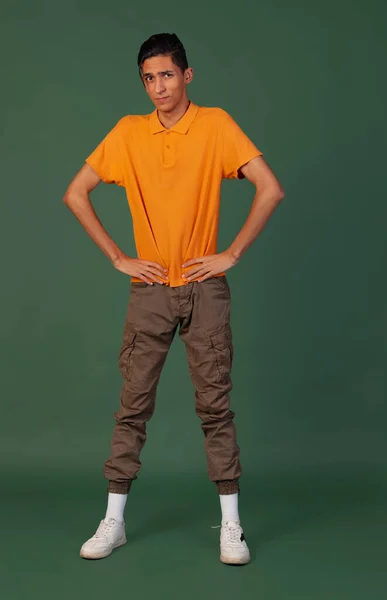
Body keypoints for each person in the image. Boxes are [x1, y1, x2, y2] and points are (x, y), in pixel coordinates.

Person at [63, 32, 284, 565]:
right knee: (132, 406)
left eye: (166, 75)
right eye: (148, 78)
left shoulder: (215, 125)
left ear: (187, 75)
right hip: (151, 289)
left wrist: (231, 252)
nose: (158, 87)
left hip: (205, 287)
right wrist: (120, 257)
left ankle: (232, 527)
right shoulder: (128, 133)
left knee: (215, 406)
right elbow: (76, 192)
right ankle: (113, 522)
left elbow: (269, 187)